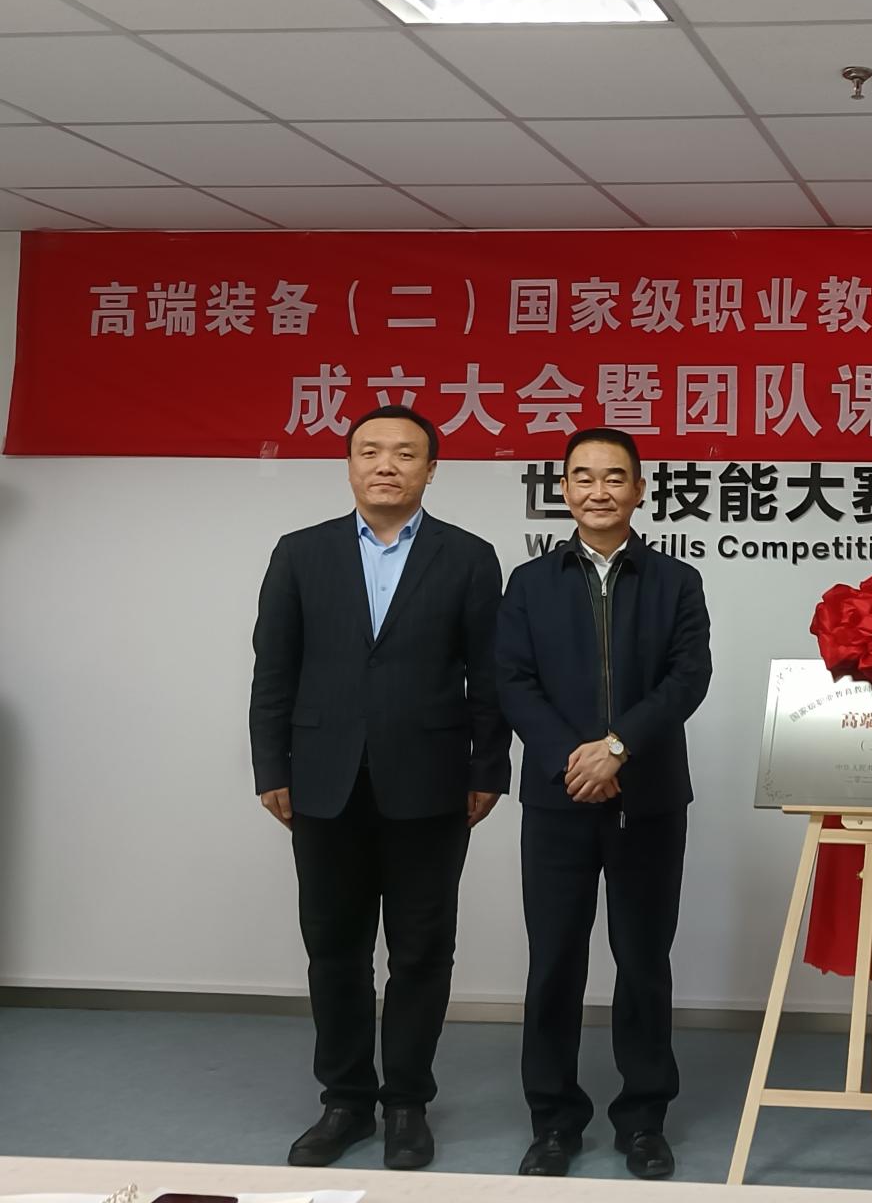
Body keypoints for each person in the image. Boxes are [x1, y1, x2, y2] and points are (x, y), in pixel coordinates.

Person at [249, 404, 506, 1171]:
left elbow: (489, 677)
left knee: (422, 950)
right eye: (369, 452)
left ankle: (406, 1105)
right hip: (322, 780)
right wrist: (272, 768)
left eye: (404, 453)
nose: (385, 465)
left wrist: (488, 768)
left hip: (432, 780)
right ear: (350, 465)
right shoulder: (301, 553)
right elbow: (274, 670)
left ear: (431, 469)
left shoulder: (469, 557)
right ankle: (345, 1101)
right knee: (334, 948)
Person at [496, 427, 712, 1180]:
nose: (599, 490)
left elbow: (688, 678)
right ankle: (553, 1120)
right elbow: (513, 681)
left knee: (643, 960)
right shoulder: (530, 583)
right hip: (558, 800)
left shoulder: (676, 580)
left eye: (615, 477)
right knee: (554, 960)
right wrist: (574, 759)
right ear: (562, 490)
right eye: (583, 477)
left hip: (648, 798)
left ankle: (644, 1120)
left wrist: (618, 748)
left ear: (640, 489)